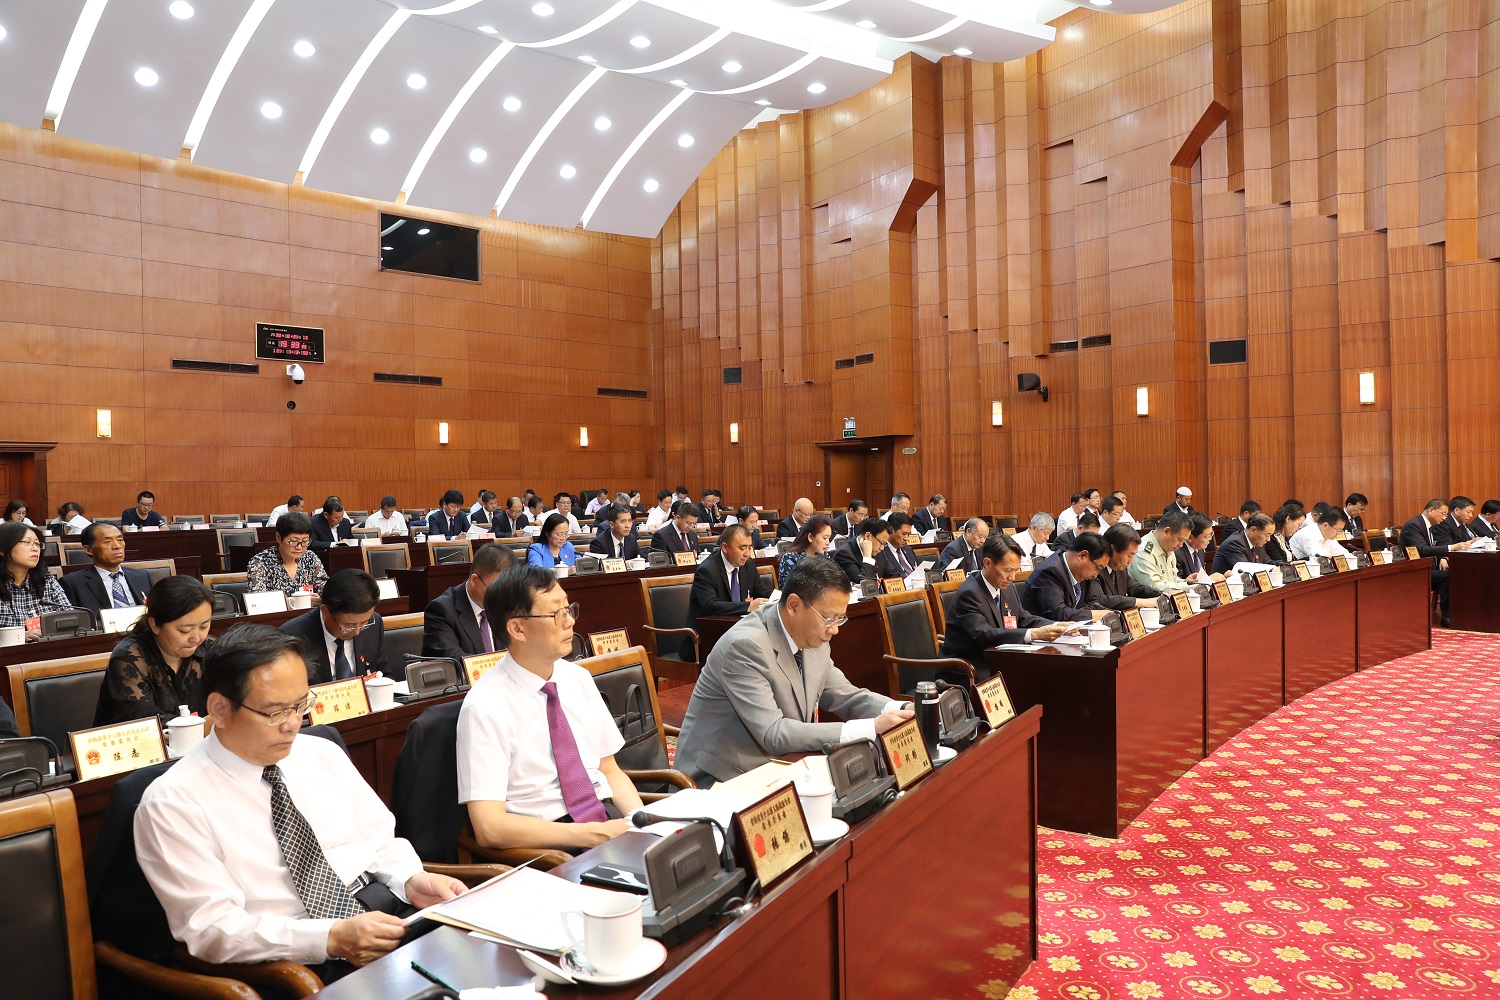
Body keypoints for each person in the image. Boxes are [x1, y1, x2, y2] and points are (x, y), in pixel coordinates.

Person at [135, 625, 466, 972]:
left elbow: (379, 839)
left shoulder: (319, 752)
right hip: (297, 954)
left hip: (386, 910)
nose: (292, 724)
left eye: (299, 705)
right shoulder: (173, 803)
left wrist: (411, 879)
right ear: (219, 709)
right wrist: (329, 937)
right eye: (275, 712)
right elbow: (212, 928)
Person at [673, 557, 914, 787]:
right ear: (794, 605)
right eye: (829, 618)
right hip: (719, 780)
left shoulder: (813, 636)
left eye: (840, 619)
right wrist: (870, 728)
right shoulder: (745, 646)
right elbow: (773, 733)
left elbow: (843, 694)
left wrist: (901, 709)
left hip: (780, 766)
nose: (835, 630)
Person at [458, 566, 643, 852]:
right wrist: (596, 835)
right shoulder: (484, 707)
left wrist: (642, 824)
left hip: (605, 818)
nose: (570, 621)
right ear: (517, 628)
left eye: (568, 609)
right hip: (550, 843)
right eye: (556, 614)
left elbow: (609, 769)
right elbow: (489, 827)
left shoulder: (578, 677)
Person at [939, 533, 1069, 677]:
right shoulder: (969, 594)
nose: (1012, 577)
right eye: (1007, 570)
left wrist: (1058, 626)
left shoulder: (1006, 586)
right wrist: (1033, 634)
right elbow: (984, 634)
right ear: (988, 563)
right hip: (970, 668)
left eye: (1016, 570)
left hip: (1000, 659)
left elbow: (1022, 617)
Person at [94, 576, 215, 725]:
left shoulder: (210, 648)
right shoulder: (129, 657)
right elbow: (144, 724)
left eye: (204, 626)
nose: (196, 638)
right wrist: (207, 723)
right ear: (155, 624)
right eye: (185, 630)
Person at [279, 570, 385, 684]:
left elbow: (384, 675)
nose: (357, 632)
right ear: (325, 612)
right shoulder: (292, 637)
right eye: (350, 626)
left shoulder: (375, 623)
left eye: (364, 623)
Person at [422, 543, 517, 662]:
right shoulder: (442, 610)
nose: (502, 597)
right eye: (496, 589)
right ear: (474, 580)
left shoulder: (508, 603)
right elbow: (453, 659)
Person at [687, 523, 775, 639]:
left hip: (741, 631)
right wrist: (748, 606)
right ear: (725, 547)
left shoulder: (748, 564)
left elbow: (760, 590)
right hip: (708, 635)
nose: (747, 553)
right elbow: (710, 605)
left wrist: (780, 597)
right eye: (742, 548)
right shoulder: (707, 570)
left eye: (749, 547)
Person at [59, 522, 153, 615]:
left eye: (120, 540)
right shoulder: (73, 584)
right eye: (107, 542)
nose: (117, 546)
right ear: (88, 549)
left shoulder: (142, 577)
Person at [1021, 533, 1113, 622]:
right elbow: (1059, 613)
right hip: (1042, 630)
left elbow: (1093, 603)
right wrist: (1098, 615)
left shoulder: (1083, 572)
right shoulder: (1050, 572)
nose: (1096, 575)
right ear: (1082, 556)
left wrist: (1084, 614)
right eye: (1098, 568)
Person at [0, 521, 74, 633]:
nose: (35, 548)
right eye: (27, 542)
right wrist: (20, 636)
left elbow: (71, 620)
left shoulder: (47, 582)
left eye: (37, 544)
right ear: (3, 550)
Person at [1401, 499, 1465, 626]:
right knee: (1446, 577)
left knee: (1459, 572)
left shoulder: (1429, 525)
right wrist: (1451, 547)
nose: (1445, 518)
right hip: (1414, 570)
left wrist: (1444, 557)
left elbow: (1435, 546)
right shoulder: (1414, 525)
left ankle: (1461, 612)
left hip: (1429, 567)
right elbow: (1422, 549)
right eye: (1443, 513)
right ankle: (1447, 617)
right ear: (1431, 510)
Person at [246, 512, 329, 598]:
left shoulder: (310, 558)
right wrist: (292, 602)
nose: (299, 547)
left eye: (304, 541)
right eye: (293, 541)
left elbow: (326, 590)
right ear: (278, 537)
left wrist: (321, 598)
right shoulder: (260, 562)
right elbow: (257, 600)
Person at [1095, 524, 1161, 610]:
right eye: (1130, 555)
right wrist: (1144, 602)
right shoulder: (1095, 568)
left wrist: (1160, 594)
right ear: (1113, 549)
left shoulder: (1120, 568)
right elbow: (1102, 600)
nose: (1131, 561)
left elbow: (1134, 588)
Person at [1129, 510, 1191, 594]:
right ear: (1166, 531)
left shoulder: (1168, 547)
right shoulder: (1143, 551)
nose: (1181, 545)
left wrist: (1187, 582)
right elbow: (1154, 587)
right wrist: (1190, 587)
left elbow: (1171, 580)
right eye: (1180, 540)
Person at [1212, 511, 1274, 576]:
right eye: (1267, 535)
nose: (1268, 539)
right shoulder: (1234, 543)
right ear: (1253, 530)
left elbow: (1268, 563)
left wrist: (1278, 567)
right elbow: (1247, 571)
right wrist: (1271, 569)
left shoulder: (1257, 543)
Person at [777, 514, 834, 581]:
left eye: (829, 538)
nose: (827, 542)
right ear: (810, 537)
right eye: (824, 538)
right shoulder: (790, 558)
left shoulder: (824, 556)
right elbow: (789, 586)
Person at [833, 517, 887, 584]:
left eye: (884, 544)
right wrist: (867, 557)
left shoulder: (879, 551)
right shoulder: (844, 554)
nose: (882, 548)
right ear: (867, 536)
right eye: (881, 543)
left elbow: (893, 575)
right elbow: (864, 585)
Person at [1174, 513, 1223, 582]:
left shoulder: (1200, 550)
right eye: (1207, 536)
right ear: (1190, 537)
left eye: (1211, 534)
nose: (1210, 538)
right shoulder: (1177, 554)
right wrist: (1209, 579)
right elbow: (1177, 584)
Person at [872, 511, 919, 580]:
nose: (907, 538)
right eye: (904, 534)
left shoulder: (908, 550)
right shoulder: (881, 552)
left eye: (908, 534)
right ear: (891, 530)